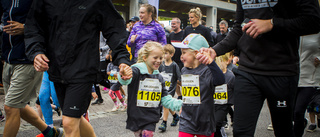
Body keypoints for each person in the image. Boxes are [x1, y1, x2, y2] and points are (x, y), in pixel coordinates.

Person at [197, 0, 320, 136]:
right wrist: (215, 51)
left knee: (283, 130)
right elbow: (239, 28)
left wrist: (272, 23)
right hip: (247, 70)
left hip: (282, 70)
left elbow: (313, 21)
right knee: (240, 132)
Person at [24, 0, 132, 136]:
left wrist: (122, 59)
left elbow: (114, 29)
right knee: (75, 119)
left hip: (84, 69)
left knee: (69, 122)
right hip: (57, 69)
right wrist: (36, 52)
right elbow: (34, 27)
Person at [1, 1, 64, 136]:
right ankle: (50, 132)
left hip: (29, 59)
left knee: (11, 107)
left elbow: (55, 23)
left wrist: (25, 28)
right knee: (18, 106)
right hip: (8, 60)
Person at [118, 41, 182, 137]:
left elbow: (165, 98)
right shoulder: (136, 71)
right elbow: (126, 80)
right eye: (155, 57)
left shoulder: (159, 77)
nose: (159, 61)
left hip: (150, 116)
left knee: (148, 134)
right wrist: (124, 75)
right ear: (145, 58)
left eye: (161, 58)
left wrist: (180, 105)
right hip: (136, 115)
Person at [172, 33, 225, 137]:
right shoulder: (184, 70)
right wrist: (183, 102)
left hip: (205, 120)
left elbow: (220, 80)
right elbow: (187, 91)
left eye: (184, 52)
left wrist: (211, 63)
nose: (181, 56)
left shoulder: (207, 70)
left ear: (196, 53)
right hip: (186, 119)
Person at [293, 32, 320, 136]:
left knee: (298, 112)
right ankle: (302, 122)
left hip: (310, 79)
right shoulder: (294, 28)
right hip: (291, 76)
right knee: (289, 113)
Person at [158, 44, 181, 132]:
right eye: (163, 53)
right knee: (167, 105)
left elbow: (179, 78)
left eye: (166, 53)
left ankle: (164, 123)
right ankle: (175, 116)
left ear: (171, 54)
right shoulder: (161, 64)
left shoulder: (174, 65)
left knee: (165, 104)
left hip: (170, 89)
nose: (164, 55)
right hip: (162, 88)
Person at [213, 54, 235, 137]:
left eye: (221, 61)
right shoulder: (211, 74)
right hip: (213, 104)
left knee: (216, 124)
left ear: (227, 62)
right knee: (213, 127)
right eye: (217, 62)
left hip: (224, 105)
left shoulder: (231, 76)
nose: (219, 63)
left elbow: (235, 90)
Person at [92, 32, 111, 105]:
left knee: (100, 78)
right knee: (95, 79)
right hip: (94, 58)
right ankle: (99, 98)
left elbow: (108, 44)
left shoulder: (102, 33)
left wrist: (101, 49)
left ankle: (113, 88)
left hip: (103, 58)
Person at [168, 17, 184, 100]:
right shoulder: (170, 35)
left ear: (179, 24)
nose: (172, 25)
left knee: (180, 80)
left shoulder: (183, 34)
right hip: (173, 61)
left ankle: (186, 91)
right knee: (174, 79)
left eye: (174, 24)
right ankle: (179, 95)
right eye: (172, 24)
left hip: (182, 61)